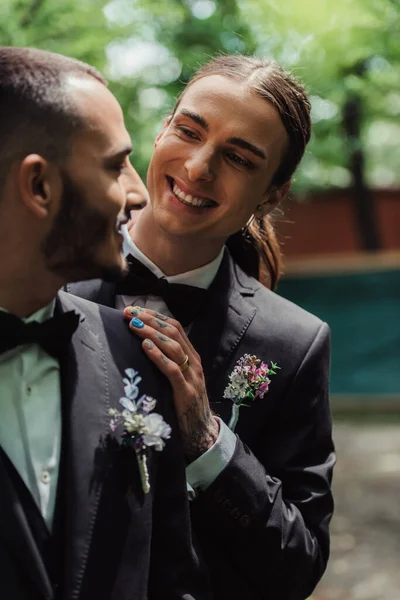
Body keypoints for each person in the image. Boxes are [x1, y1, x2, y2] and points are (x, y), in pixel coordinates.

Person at [67, 55, 335, 600]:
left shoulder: (294, 344)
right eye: (189, 131)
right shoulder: (46, 274)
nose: (197, 167)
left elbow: (298, 565)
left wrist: (207, 441)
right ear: (162, 128)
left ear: (272, 194)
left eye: (238, 158)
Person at [0, 46, 211, 600]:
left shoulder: (136, 353)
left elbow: (172, 578)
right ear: (39, 186)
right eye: (116, 165)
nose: (139, 194)